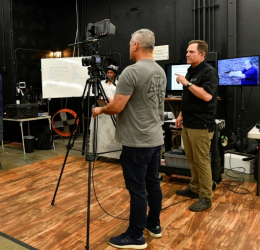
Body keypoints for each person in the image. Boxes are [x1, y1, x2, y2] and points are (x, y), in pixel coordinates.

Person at [92, 29, 166, 249]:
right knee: (153, 184)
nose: (129, 47)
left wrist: (100, 109)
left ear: (135, 45)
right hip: (154, 138)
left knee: (137, 189)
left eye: (129, 43)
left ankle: (135, 235)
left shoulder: (131, 72)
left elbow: (116, 107)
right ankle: (153, 225)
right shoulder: (160, 70)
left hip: (136, 142)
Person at [174, 40, 218, 212]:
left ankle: (206, 197)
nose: (187, 54)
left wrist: (187, 83)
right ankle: (195, 188)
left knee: (201, 162)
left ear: (202, 54)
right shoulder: (191, 70)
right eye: (187, 51)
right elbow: (189, 97)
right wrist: (180, 115)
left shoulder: (209, 72)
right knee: (192, 160)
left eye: (191, 52)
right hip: (188, 123)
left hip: (201, 125)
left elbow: (207, 96)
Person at [89, 64, 122, 160]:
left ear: (115, 74)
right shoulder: (102, 83)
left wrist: (113, 101)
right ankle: (101, 152)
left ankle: (116, 155)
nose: (109, 74)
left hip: (114, 110)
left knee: (113, 133)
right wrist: (102, 101)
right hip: (103, 109)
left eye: (111, 72)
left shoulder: (119, 83)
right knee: (101, 134)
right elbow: (98, 96)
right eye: (108, 72)